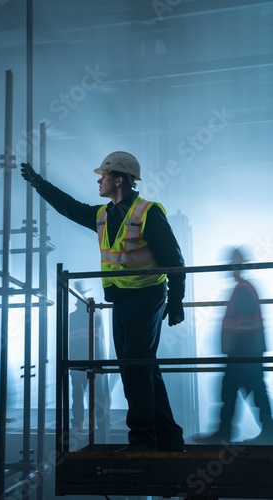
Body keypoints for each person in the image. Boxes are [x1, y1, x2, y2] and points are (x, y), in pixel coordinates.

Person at [21, 151, 186, 451]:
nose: (99, 180)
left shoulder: (148, 212)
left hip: (146, 297)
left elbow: (174, 259)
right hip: (122, 301)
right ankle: (169, 437)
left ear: (118, 179)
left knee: (135, 367)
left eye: (104, 175)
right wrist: (40, 185)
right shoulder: (102, 215)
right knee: (142, 367)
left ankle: (142, 442)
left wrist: (176, 300)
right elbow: (70, 208)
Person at [195, 246, 273, 444]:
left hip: (243, 352)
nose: (229, 270)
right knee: (249, 391)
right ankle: (263, 431)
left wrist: (235, 351)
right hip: (247, 352)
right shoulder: (244, 289)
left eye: (231, 266)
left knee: (234, 390)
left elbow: (244, 325)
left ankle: (226, 433)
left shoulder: (243, 291)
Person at [69, 280, 110, 432]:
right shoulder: (94, 315)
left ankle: (78, 424)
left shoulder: (72, 317)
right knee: (97, 395)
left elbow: (72, 341)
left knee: (78, 395)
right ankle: (101, 424)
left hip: (77, 362)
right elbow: (98, 341)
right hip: (92, 360)